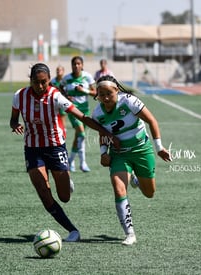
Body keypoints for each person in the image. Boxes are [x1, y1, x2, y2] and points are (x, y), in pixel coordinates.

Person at [10, 63, 119, 242]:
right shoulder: (19, 96)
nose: (40, 86)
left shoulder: (55, 96)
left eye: (44, 82)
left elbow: (81, 117)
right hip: (32, 149)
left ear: (49, 80)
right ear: (30, 80)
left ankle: (67, 180)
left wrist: (106, 133)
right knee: (44, 193)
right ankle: (72, 230)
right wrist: (16, 125)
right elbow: (13, 120)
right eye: (36, 82)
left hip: (55, 147)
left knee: (64, 197)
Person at [92, 75, 172, 246]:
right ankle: (130, 233)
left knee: (149, 193)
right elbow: (103, 133)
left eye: (109, 94)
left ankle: (135, 178)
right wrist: (103, 152)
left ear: (117, 91)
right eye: (101, 94)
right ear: (97, 94)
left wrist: (159, 148)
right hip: (119, 154)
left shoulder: (129, 101)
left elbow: (151, 120)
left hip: (142, 150)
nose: (105, 98)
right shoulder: (97, 113)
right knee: (119, 189)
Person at [59, 56, 96, 172]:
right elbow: (60, 88)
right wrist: (65, 96)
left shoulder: (87, 77)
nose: (76, 66)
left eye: (79, 63)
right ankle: (83, 163)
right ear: (71, 65)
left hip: (85, 110)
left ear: (82, 65)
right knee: (82, 134)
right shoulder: (67, 78)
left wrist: (83, 90)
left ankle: (70, 160)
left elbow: (95, 93)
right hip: (73, 109)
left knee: (78, 136)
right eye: (74, 64)